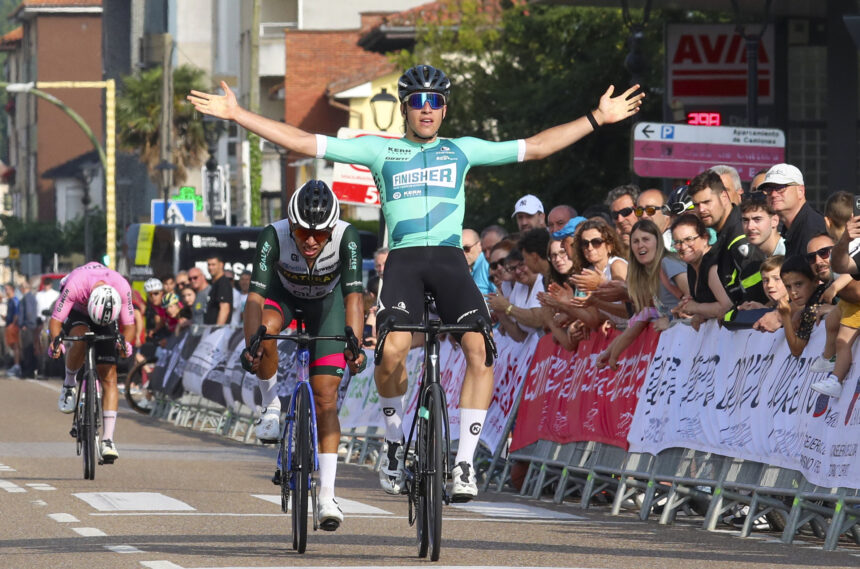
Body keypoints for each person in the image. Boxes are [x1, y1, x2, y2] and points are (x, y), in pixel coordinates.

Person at [189, 63, 644, 503]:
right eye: (417, 101)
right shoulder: (379, 150)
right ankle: (392, 442)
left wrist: (596, 118)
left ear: (444, 109)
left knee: (480, 348)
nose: (426, 109)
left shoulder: (462, 149)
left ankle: (463, 463)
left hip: (448, 260)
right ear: (405, 107)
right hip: (404, 260)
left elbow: (536, 146)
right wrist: (238, 114)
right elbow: (306, 141)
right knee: (390, 350)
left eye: (435, 101)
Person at [239, 180, 366, 531]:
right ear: (290, 225)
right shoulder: (272, 236)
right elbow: (254, 298)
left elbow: (355, 297)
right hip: (284, 299)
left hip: (328, 304)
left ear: (332, 229)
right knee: (264, 329)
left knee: (325, 397)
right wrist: (252, 344)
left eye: (320, 234)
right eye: (302, 232)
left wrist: (354, 343)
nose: (311, 241)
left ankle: (327, 494)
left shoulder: (347, 237)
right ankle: (270, 405)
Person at [49, 262, 135, 463]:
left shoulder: (121, 287)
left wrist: (125, 344)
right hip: (77, 312)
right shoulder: (76, 284)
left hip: (106, 316)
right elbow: (56, 320)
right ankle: (70, 383)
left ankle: (108, 440)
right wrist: (55, 343)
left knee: (109, 375)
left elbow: (129, 325)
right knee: (79, 337)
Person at [596, 219, 688, 369]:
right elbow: (638, 320)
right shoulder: (645, 275)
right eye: (636, 241)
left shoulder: (667, 263)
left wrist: (671, 320)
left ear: (658, 242)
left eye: (646, 239)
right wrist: (610, 352)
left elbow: (695, 298)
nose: (640, 245)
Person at [688, 169, 766, 305]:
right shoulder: (724, 236)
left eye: (707, 202)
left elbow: (756, 299)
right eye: (696, 205)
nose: (701, 210)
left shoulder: (741, 236)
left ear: (724, 197)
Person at [670, 214, 732, 330]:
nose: (683, 247)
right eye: (678, 242)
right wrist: (697, 313)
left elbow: (726, 307)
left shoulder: (712, 267)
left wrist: (695, 308)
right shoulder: (692, 267)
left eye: (689, 239)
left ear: (705, 238)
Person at [760, 163, 826, 258]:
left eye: (780, 187)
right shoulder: (791, 228)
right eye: (769, 189)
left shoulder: (814, 230)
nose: (773, 194)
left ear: (800, 191)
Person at [777, 255, 834, 357]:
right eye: (788, 287)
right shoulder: (820, 294)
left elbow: (796, 350)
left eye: (798, 284)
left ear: (815, 281)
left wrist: (785, 316)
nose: (793, 292)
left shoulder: (811, 310)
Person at [740, 192, 784, 257]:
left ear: (774, 221)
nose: (750, 227)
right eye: (745, 220)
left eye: (757, 219)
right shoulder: (759, 257)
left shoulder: (788, 255)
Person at [462, 228, 494, 294]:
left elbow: (502, 297)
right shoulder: (468, 268)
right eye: (459, 250)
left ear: (479, 246)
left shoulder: (487, 264)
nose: (463, 253)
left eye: (466, 248)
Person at [204, 256, 233, 325]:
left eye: (213, 265)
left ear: (221, 265)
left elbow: (224, 308)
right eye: (209, 265)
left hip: (217, 331)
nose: (210, 267)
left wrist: (217, 330)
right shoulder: (215, 283)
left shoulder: (223, 282)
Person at [4, 283, 20, 377]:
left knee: (15, 346)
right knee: (12, 346)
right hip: (9, 325)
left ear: (12, 290)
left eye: (7, 289)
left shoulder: (15, 300)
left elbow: (16, 314)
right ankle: (15, 364)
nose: (6, 291)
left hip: (13, 326)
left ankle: (17, 366)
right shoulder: (9, 300)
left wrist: (13, 324)